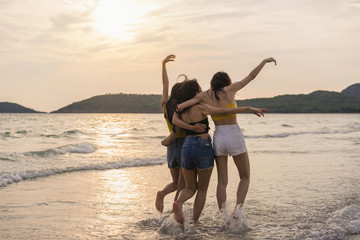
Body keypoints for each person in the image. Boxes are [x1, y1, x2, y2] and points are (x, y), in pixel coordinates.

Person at [177, 58, 276, 211]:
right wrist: (264, 62)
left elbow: (186, 104)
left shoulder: (205, 95)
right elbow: (251, 76)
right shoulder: (230, 89)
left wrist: (180, 107)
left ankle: (224, 215)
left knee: (222, 181)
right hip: (234, 134)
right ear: (226, 82)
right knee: (245, 177)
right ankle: (237, 210)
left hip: (219, 137)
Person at [155, 55, 206, 213]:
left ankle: (162, 193)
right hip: (184, 145)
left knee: (176, 183)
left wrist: (163, 64)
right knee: (183, 185)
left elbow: (165, 84)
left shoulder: (165, 105)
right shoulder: (183, 108)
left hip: (171, 147)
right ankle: (175, 214)